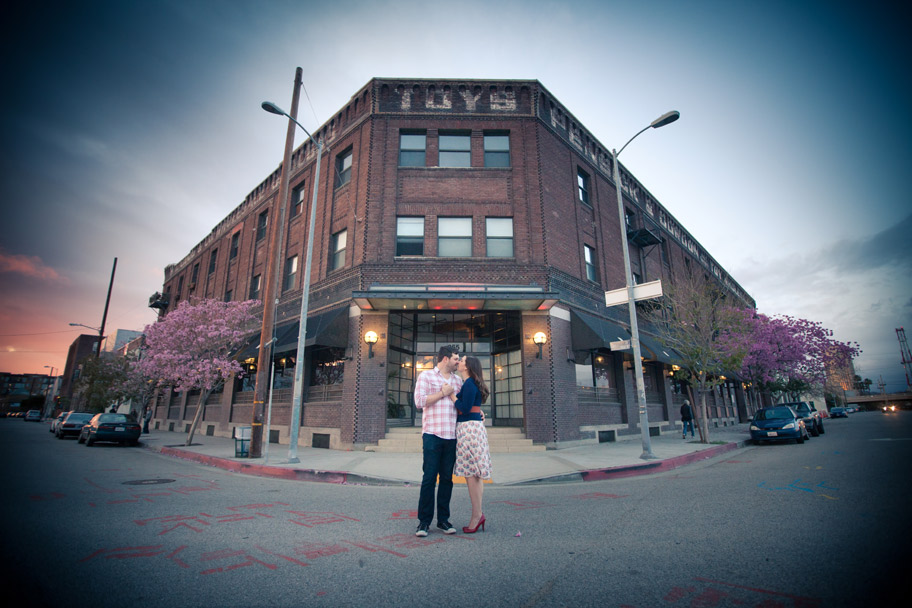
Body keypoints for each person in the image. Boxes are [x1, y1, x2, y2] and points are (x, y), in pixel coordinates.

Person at [413, 346, 463, 537]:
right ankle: (424, 522)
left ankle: (443, 520)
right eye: (455, 359)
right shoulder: (426, 376)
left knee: (447, 480)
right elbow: (419, 402)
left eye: (458, 359)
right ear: (445, 359)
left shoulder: (458, 381)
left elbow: (461, 405)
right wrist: (443, 393)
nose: (458, 362)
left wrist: (478, 412)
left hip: (451, 435)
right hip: (432, 434)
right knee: (429, 478)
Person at [453, 355, 492, 534]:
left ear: (468, 366)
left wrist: (451, 395)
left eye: (462, 360)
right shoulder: (470, 383)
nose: (459, 362)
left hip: (469, 429)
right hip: (472, 428)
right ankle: (478, 513)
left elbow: (465, 407)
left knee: (471, 473)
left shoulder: (469, 384)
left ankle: (477, 515)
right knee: (475, 473)